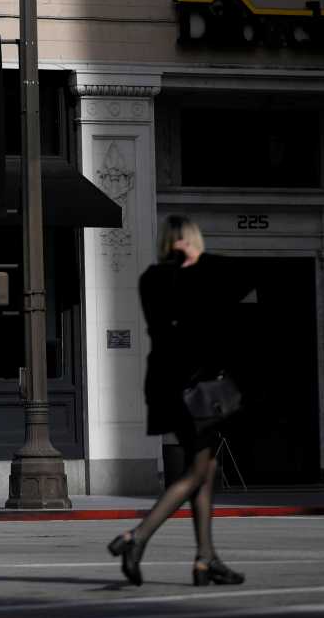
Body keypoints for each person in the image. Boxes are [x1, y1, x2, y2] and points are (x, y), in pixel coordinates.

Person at [108, 215, 252, 587]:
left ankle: (206, 559)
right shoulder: (198, 277)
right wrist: (196, 258)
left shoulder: (150, 279)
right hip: (197, 389)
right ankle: (136, 538)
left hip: (166, 387)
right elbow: (242, 277)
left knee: (205, 471)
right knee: (197, 473)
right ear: (190, 240)